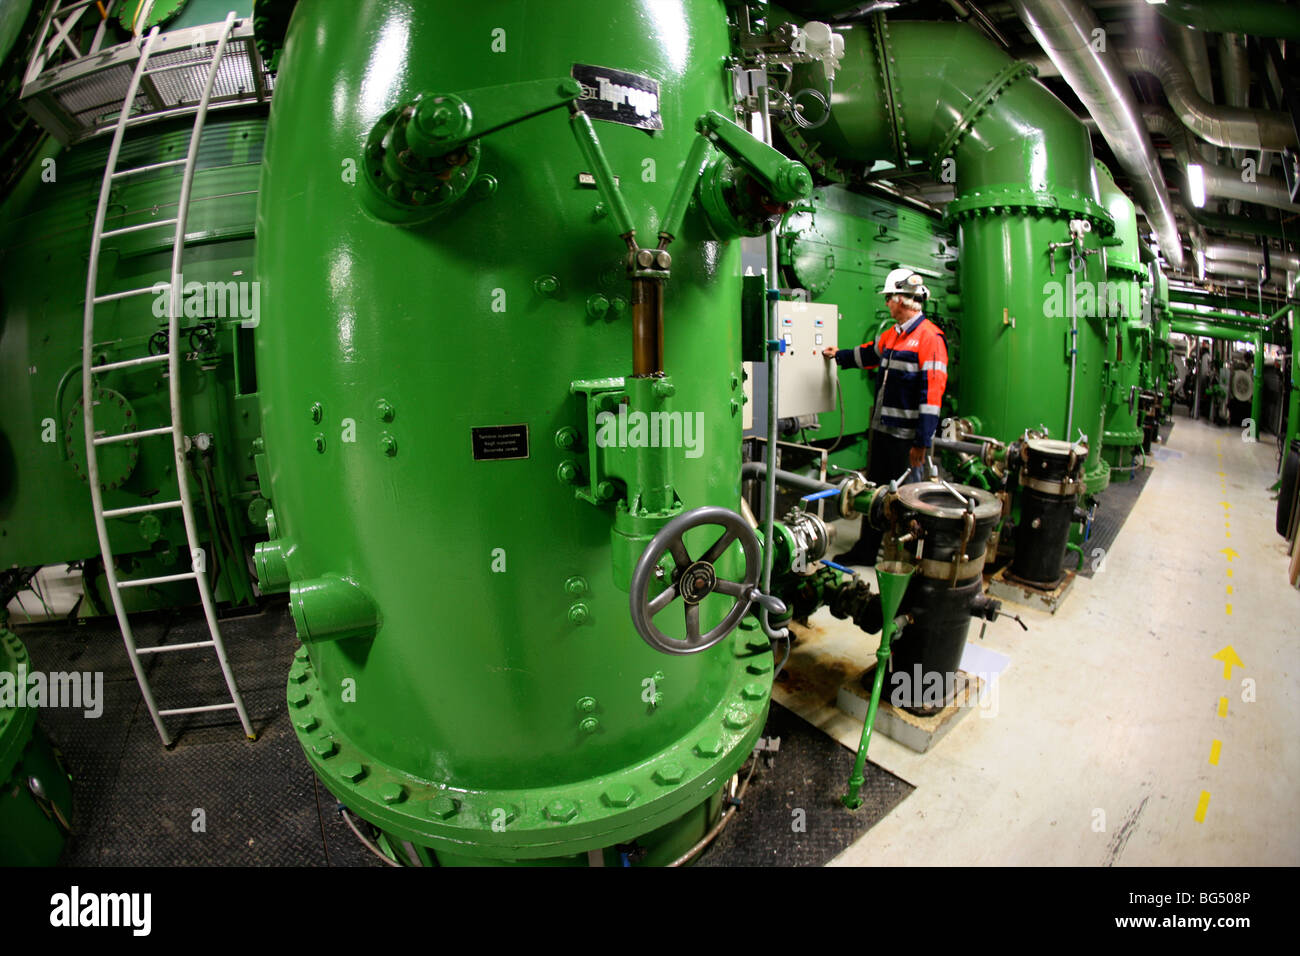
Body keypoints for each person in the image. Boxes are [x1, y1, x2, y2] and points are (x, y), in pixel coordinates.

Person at [821, 268, 948, 567]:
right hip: (882, 433)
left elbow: (932, 398)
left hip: (907, 441)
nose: (887, 303)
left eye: (890, 298)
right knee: (874, 493)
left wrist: (922, 442)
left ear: (902, 300)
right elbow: (869, 354)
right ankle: (866, 550)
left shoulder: (931, 339)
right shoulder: (894, 334)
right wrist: (838, 355)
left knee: (907, 499)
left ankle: (907, 559)